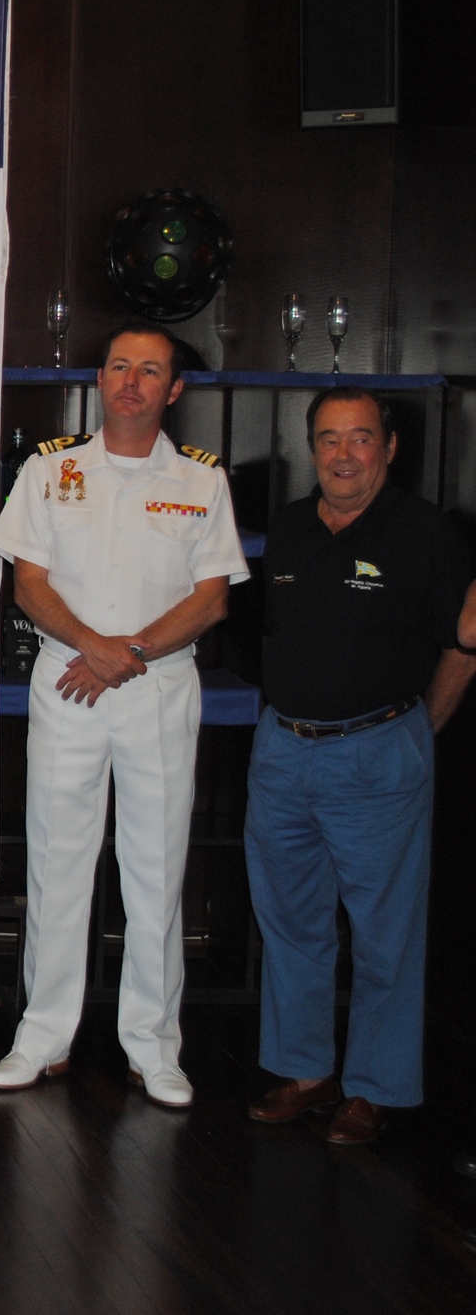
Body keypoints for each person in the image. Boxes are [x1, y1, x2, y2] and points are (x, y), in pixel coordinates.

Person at [0, 323, 249, 1107]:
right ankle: (43, 1033)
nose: (131, 381)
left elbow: (212, 598)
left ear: (175, 389)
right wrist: (92, 646)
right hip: (69, 680)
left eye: (150, 370)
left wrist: (125, 652)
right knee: (56, 863)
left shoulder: (202, 479)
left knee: (157, 869)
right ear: (99, 379)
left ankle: (153, 1044)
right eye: (119, 366)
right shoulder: (51, 468)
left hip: (155, 688)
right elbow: (28, 584)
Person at [243, 389, 475, 1144]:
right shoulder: (287, 526)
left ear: (390, 447)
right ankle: (305, 1070)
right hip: (282, 752)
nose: (344, 454)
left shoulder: (426, 532)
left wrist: (412, 735)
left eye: (361, 438)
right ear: (312, 446)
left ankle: (375, 1087)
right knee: (290, 921)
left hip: (378, 753)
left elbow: (463, 645)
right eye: (329, 438)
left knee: (385, 934)